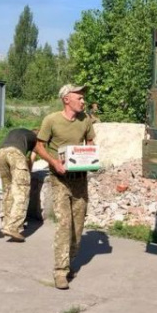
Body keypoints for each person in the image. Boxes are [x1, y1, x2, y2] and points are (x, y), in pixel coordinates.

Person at [36, 84, 96, 290]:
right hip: (59, 179)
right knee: (64, 223)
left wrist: (90, 157)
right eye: (78, 97)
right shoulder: (51, 120)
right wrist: (54, 162)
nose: (83, 101)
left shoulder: (85, 120)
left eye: (83, 98)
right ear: (66, 99)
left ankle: (69, 260)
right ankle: (60, 271)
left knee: (77, 226)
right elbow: (39, 145)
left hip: (80, 179)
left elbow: (90, 142)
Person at [0, 128, 54, 242]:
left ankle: (7, 223)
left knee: (8, 192)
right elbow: (31, 159)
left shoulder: (17, 133)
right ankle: (13, 227)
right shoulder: (37, 139)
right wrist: (27, 174)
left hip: (1, 154)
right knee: (22, 191)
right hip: (15, 155)